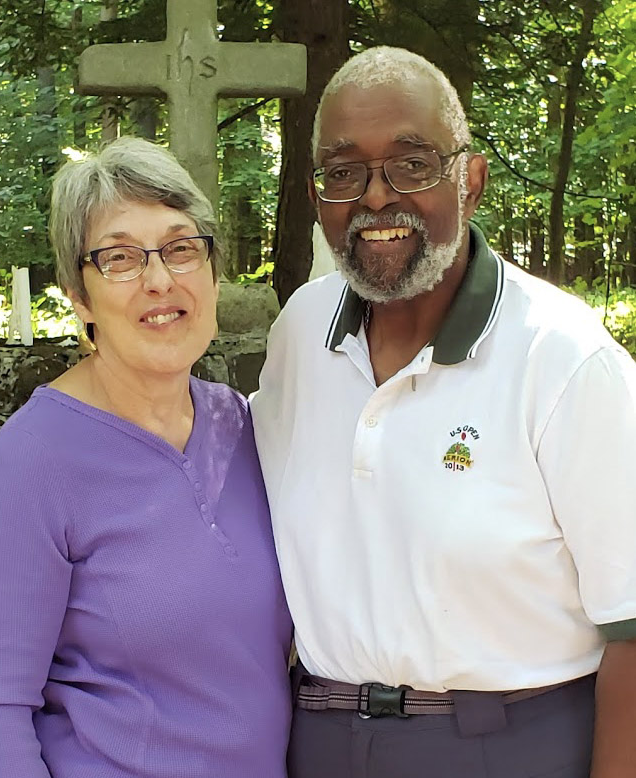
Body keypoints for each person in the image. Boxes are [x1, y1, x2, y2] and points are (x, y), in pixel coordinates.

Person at [251, 46, 636, 778]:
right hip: (321, 740)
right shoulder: (300, 333)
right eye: (343, 172)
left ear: (472, 181)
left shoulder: (562, 357)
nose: (375, 197)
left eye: (412, 164)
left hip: (509, 746)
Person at [0, 137, 292, 778]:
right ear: (79, 297)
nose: (159, 280)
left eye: (181, 248)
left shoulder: (245, 427)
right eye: (120, 258)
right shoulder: (33, 465)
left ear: (213, 272)